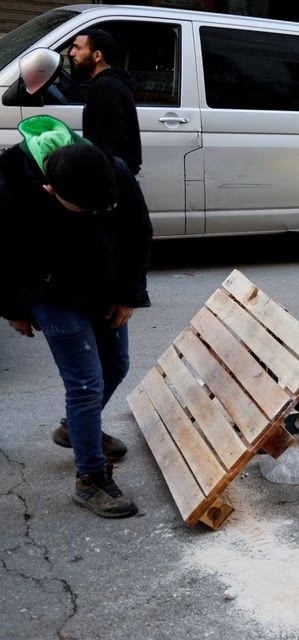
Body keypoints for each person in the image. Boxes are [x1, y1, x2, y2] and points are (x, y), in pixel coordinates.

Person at [0, 115, 153, 518]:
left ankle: (75, 428)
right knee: (86, 383)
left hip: (104, 288)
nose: (93, 215)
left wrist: (129, 295)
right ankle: (90, 479)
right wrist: (14, 309)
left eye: (100, 208)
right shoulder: (14, 181)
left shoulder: (111, 169)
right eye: (82, 209)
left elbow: (138, 232)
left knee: (116, 365)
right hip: (50, 294)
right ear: (49, 189)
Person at [68, 28, 142, 175]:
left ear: (97, 55)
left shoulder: (106, 87)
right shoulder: (110, 83)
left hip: (110, 175)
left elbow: (114, 140)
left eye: (78, 48)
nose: (71, 53)